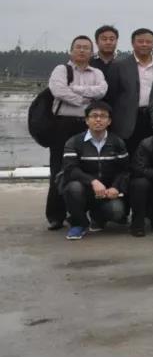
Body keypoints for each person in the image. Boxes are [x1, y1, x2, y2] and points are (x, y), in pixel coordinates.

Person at [45, 36, 108, 229]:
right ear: (70, 50)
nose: (82, 50)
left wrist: (74, 89)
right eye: (78, 47)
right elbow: (58, 91)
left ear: (92, 52)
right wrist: (83, 100)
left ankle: (80, 214)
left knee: (87, 169)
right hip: (63, 125)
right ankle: (55, 215)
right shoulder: (61, 70)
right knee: (59, 169)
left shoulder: (97, 72)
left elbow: (102, 91)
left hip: (87, 126)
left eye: (86, 48)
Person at [60, 101, 129, 240]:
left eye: (103, 116)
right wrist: (93, 181)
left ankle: (98, 218)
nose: (98, 119)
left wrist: (116, 187)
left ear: (109, 121)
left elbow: (124, 170)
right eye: (94, 116)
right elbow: (70, 169)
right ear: (86, 120)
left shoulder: (117, 142)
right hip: (83, 189)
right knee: (73, 188)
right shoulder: (74, 142)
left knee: (117, 211)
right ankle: (78, 223)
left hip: (106, 192)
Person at [107, 28, 153, 150]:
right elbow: (111, 96)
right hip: (128, 121)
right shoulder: (119, 66)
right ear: (133, 43)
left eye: (148, 42)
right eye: (140, 41)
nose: (144, 44)